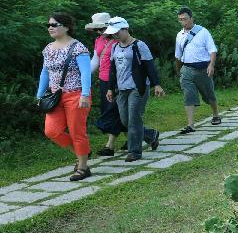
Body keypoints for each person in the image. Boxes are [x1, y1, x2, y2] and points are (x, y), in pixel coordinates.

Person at [36, 12, 93, 181]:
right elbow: (45, 73)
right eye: (49, 25)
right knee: (51, 131)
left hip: (76, 94)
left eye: (54, 25)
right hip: (55, 97)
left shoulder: (78, 47)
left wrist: (84, 94)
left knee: (77, 131)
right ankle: (82, 151)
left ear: (67, 27)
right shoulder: (48, 48)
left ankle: (83, 167)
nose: (50, 28)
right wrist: (40, 95)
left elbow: (86, 73)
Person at [104, 17, 164, 162]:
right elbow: (112, 69)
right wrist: (110, 88)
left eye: (117, 32)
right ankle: (151, 135)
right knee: (125, 120)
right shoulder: (114, 47)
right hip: (121, 88)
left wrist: (157, 84)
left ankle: (135, 152)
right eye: (113, 33)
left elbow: (149, 66)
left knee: (134, 119)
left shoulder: (139, 45)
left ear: (125, 29)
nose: (115, 35)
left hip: (138, 87)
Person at [85, 11, 126, 155]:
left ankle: (110, 146)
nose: (99, 31)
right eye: (96, 29)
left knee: (112, 111)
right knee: (114, 111)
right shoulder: (98, 40)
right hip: (103, 80)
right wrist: (84, 76)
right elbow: (95, 60)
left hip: (117, 80)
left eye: (101, 28)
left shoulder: (118, 40)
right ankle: (144, 136)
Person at [174, 7, 220, 134]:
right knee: (188, 95)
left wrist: (211, 65)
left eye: (185, 19)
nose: (183, 22)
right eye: (180, 20)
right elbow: (178, 55)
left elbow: (212, 50)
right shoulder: (179, 35)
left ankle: (216, 114)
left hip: (203, 69)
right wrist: (178, 70)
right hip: (187, 69)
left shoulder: (203, 32)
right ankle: (190, 124)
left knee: (209, 94)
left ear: (191, 18)